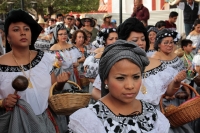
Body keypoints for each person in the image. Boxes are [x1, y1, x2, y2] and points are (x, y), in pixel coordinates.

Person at [68, 40, 170, 133]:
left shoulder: (153, 114)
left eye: (136, 77)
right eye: (120, 78)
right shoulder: (89, 120)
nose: (130, 86)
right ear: (105, 79)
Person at [0, 9, 70, 133]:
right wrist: (3, 102)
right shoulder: (1, 65)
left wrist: (60, 83)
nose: (23, 33)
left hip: (45, 121)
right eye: (16, 29)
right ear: (8, 37)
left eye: (26, 29)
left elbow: (54, 89)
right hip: (17, 122)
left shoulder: (44, 58)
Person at [49, 23, 81, 89]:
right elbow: (49, 66)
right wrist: (56, 65)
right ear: (56, 36)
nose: (63, 36)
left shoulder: (72, 47)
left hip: (73, 74)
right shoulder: (53, 49)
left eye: (65, 33)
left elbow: (77, 60)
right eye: (61, 34)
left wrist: (77, 63)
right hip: (61, 75)